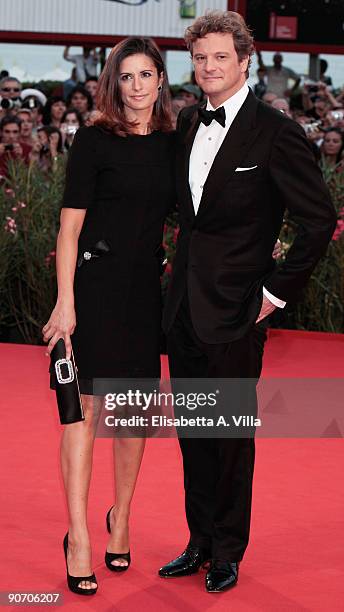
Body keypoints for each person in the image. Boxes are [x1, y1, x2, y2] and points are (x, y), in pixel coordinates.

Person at [159, 10, 336, 593]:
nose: (208, 68)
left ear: (244, 61)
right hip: (184, 304)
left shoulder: (275, 130)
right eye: (200, 58)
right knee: (193, 430)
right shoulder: (186, 120)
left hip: (238, 308)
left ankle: (229, 551)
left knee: (230, 434)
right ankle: (199, 540)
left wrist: (274, 291)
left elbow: (319, 220)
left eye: (219, 58)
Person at [42, 36, 176, 596]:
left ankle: (120, 517)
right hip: (95, 288)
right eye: (127, 77)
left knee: (135, 414)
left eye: (147, 75)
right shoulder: (95, 141)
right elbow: (69, 227)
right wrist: (65, 301)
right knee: (86, 411)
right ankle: (77, 536)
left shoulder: (174, 141)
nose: (137, 86)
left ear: (161, 81)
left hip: (146, 291)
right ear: (113, 83)